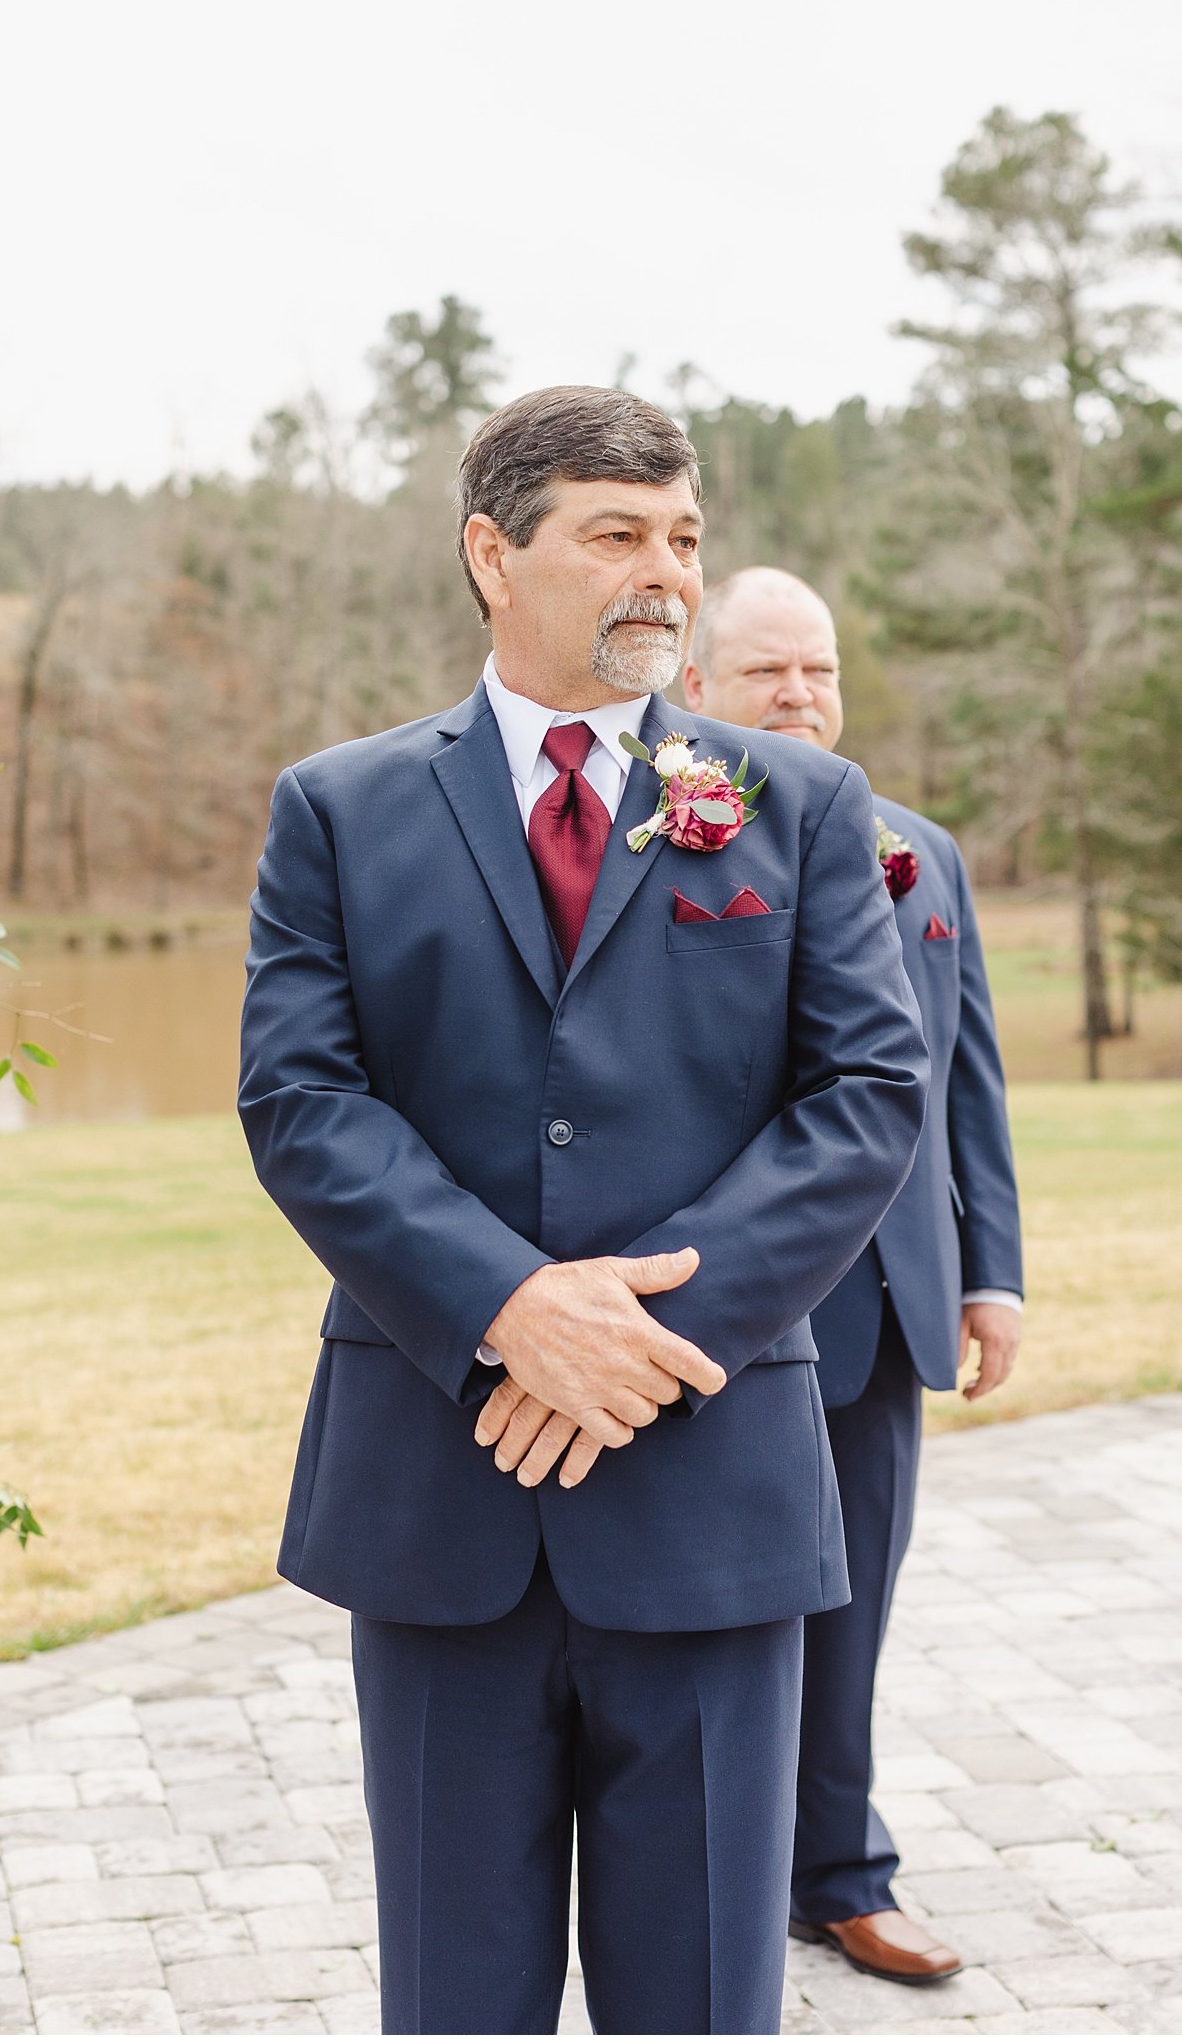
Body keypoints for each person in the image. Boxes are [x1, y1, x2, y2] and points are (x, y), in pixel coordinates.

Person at [238, 390, 929, 2037]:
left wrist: (637, 1338)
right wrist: (510, 1312)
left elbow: (867, 1101)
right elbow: (303, 1103)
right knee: (455, 2003)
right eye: (616, 535)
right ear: (495, 553)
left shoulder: (798, 808)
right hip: (438, 1485)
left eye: (683, 537)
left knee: (700, 1997)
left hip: (711, 1496)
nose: (665, 577)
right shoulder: (338, 811)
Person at [684, 565, 1024, 1987]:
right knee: (723, 1616)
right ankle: (706, 1882)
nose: (801, 699)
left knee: (853, 1609)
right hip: (730, 1319)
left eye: (817, 671)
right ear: (695, 688)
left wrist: (989, 1271)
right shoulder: (669, 842)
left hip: (889, 1311)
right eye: (768, 673)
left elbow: (965, 1087)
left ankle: (840, 1876)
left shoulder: (919, 850)